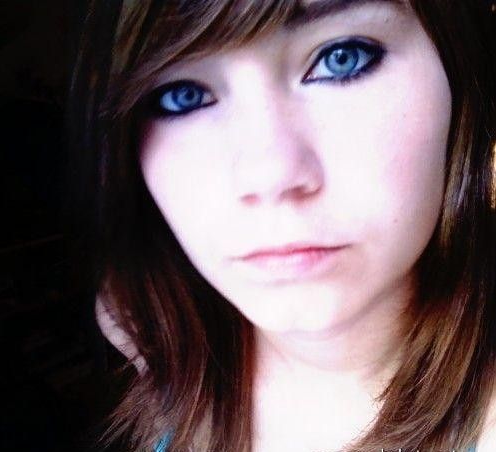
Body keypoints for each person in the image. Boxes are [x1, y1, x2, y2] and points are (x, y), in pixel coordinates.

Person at [65, 1, 496, 450]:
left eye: (342, 57)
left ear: (458, 67)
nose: (268, 176)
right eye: (182, 95)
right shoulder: (143, 323)